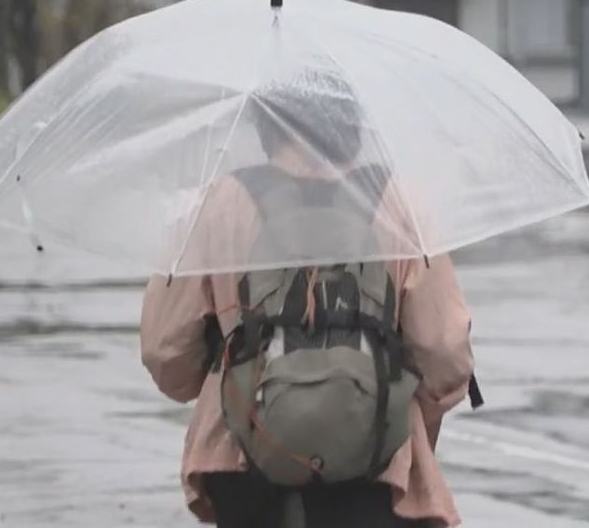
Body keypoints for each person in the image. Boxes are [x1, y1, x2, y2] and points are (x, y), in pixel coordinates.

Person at [140, 86, 474, 527]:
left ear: (266, 123)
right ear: (354, 121)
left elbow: (166, 353)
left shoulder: (217, 203)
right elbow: (444, 353)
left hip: (241, 456)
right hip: (373, 455)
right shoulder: (400, 205)